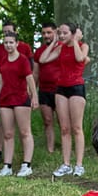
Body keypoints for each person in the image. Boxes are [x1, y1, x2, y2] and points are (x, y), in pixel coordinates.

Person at [38, 22, 89, 177]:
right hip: (61, 89)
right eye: (59, 33)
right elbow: (43, 59)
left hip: (76, 87)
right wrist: (54, 42)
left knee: (76, 128)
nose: (61, 36)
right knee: (65, 128)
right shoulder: (60, 48)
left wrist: (75, 40)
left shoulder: (82, 45)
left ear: (73, 34)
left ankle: (79, 165)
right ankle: (66, 163)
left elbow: (80, 58)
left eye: (64, 33)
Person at [0, 32, 39, 177]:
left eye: (11, 42)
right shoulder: (3, 60)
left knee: (24, 131)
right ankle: (7, 165)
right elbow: (1, 81)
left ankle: (26, 164)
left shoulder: (23, 60)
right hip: (5, 99)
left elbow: (30, 79)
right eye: (6, 43)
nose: (8, 45)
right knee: (8, 133)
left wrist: (34, 96)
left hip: (21, 98)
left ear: (17, 43)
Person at [33, 23, 58, 154]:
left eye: (49, 32)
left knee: (63, 122)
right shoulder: (39, 51)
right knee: (48, 121)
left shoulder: (62, 48)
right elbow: (36, 73)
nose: (46, 36)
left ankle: (68, 148)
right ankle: (50, 149)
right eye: (43, 33)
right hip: (44, 90)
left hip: (60, 90)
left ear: (55, 32)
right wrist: (32, 92)